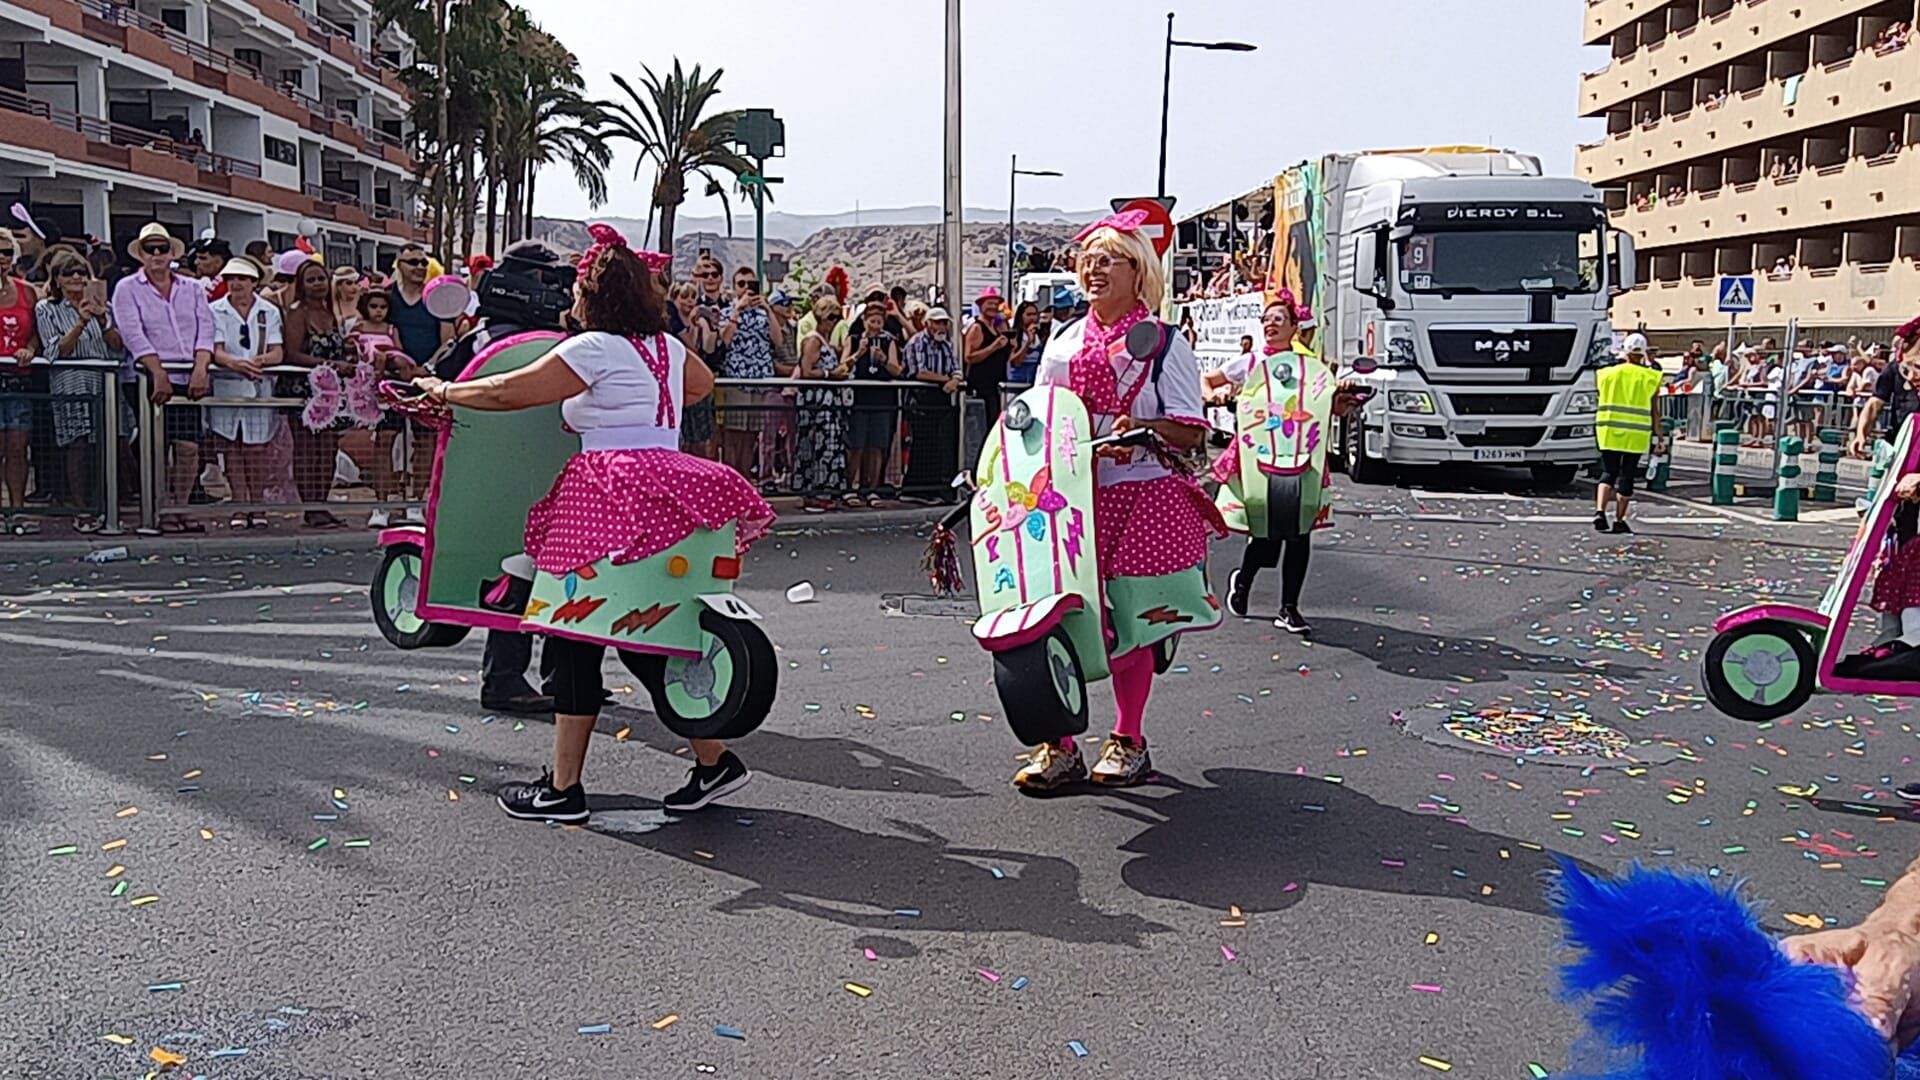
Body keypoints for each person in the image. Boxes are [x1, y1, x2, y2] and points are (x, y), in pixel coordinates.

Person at [409, 223, 775, 820]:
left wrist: (443, 391)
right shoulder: (666, 347)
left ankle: (563, 789)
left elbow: (507, 392)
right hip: (671, 483)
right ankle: (713, 761)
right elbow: (702, 385)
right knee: (643, 630)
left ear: (592, 295)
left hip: (607, 491)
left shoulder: (593, 348)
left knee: (575, 631)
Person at [1014, 211, 1226, 791]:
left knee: (1130, 620)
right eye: (1088, 259)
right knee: (1053, 614)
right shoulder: (1062, 342)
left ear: (1139, 271)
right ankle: (1058, 746)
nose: (1093, 269)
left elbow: (1190, 431)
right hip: (1070, 498)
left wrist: (1146, 428)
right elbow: (1040, 418)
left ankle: (1128, 738)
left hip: (1140, 496)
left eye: (1108, 259)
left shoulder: (1165, 343)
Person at [431, 237, 579, 717]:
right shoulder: (490, 338)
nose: (558, 289)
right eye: (546, 279)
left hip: (551, 467)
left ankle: (563, 676)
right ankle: (503, 679)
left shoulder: (560, 339)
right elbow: (445, 383)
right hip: (501, 472)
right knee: (514, 569)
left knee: (559, 570)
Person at [1205, 292, 1357, 633]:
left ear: (1293, 327)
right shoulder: (1250, 362)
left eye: (1279, 319)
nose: (1270, 324)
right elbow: (1209, 382)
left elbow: (1327, 408)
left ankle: (1289, 608)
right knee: (1266, 536)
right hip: (1257, 458)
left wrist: (1342, 398)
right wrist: (1216, 395)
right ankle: (1244, 580)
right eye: (1266, 319)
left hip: (1302, 457)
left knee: (1300, 534)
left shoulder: (1310, 367)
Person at [113, 222, 213, 535]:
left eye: (162, 248)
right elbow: (132, 333)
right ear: (140, 254)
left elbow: (206, 328)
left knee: (188, 447)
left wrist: (201, 367)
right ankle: (158, 508)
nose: (156, 254)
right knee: (156, 447)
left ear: (171, 253)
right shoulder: (127, 287)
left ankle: (180, 507)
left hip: (188, 375)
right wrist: (157, 371)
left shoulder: (192, 287)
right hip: (144, 377)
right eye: (150, 249)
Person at [35, 249, 124, 530]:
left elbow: (118, 347)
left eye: (81, 272)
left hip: (102, 379)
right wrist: (81, 321)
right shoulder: (46, 308)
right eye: (68, 273)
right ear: (57, 279)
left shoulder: (102, 304)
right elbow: (56, 350)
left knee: (107, 443)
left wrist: (102, 320)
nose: (76, 277)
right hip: (70, 378)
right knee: (77, 444)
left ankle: (107, 505)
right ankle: (81, 507)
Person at [207, 257, 284, 529]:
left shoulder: (268, 311)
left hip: (259, 387)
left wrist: (258, 362)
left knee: (257, 449)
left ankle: (258, 505)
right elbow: (215, 349)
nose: (236, 283)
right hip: (226, 385)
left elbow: (277, 351)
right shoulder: (214, 309)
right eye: (231, 279)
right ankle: (239, 504)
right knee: (231, 447)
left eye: (241, 278)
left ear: (253, 282)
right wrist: (234, 364)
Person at [282, 259, 351, 529]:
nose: (317, 284)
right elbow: (292, 353)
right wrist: (328, 365)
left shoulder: (330, 313)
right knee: (307, 451)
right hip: (304, 391)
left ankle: (322, 503)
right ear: (301, 284)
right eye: (310, 280)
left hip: (331, 392)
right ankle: (310, 508)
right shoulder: (297, 313)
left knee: (328, 450)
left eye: (321, 278)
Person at [388, 243, 452, 512]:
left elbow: (448, 340)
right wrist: (397, 361)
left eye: (423, 262)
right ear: (399, 265)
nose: (419, 267)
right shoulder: (387, 297)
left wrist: (426, 368)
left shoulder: (436, 298)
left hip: (428, 379)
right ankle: (383, 504)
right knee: (384, 439)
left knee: (425, 441)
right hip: (391, 377)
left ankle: (415, 502)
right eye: (412, 262)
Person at [1593, 332, 1664, 535]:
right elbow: (1655, 410)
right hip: (1636, 433)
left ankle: (1600, 512)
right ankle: (1619, 520)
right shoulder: (1651, 377)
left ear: (1624, 351)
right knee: (1627, 474)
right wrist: (1660, 436)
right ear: (1644, 353)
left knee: (1609, 471)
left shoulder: (1606, 374)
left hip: (1609, 429)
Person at [717, 265, 780, 482]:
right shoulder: (727, 312)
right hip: (737, 377)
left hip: (760, 379)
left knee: (751, 434)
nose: (746, 288)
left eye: (750, 284)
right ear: (734, 287)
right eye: (741, 284)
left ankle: (744, 480)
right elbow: (724, 341)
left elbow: (778, 340)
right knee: (733, 433)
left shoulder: (764, 314)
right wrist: (737, 311)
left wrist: (768, 310)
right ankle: (730, 480)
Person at [901, 307, 963, 503]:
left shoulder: (946, 345)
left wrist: (955, 380)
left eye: (944, 323)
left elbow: (956, 369)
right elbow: (919, 372)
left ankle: (934, 488)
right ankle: (915, 489)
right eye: (937, 322)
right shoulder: (917, 342)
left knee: (938, 444)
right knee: (922, 443)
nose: (941, 327)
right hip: (920, 399)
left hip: (940, 400)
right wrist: (946, 380)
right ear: (927, 324)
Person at [845, 299, 904, 505]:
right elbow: (843, 365)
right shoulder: (853, 339)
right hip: (859, 398)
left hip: (881, 399)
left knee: (876, 445)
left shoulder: (889, 342)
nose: (875, 326)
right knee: (857, 445)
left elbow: (897, 370)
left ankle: (871, 488)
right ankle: (850, 487)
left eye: (879, 322)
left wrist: (884, 360)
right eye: (872, 321)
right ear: (864, 321)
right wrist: (858, 354)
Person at [0, 233, 41, 525]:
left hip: (18, 378)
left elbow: (38, 331)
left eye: (5, 252)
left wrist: (31, 349)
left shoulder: (27, 292)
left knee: (17, 448)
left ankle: (17, 510)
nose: (1, 258)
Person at [795, 298, 850, 511]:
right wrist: (829, 374)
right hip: (817, 403)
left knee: (828, 445)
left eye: (837, 317)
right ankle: (814, 492)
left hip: (828, 402)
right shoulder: (813, 341)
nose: (834, 322)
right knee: (818, 445)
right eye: (831, 317)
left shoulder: (826, 342)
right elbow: (807, 371)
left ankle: (823, 490)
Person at [668, 282, 718, 459]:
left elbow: (707, 348)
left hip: (696, 385)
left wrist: (706, 325)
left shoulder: (699, 322)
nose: (689, 301)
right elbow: (688, 347)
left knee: (700, 440)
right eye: (684, 297)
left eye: (693, 297)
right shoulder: (671, 323)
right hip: (676, 385)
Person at [963, 288, 1016, 427]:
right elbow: (969, 357)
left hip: (996, 385)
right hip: (982, 387)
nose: (993, 307)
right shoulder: (977, 328)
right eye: (989, 303)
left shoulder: (998, 328)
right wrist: (994, 347)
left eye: (995, 304)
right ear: (981, 306)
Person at [1004, 300, 1043, 387]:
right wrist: (1028, 343)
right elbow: (1015, 362)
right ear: (1021, 316)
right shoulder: (1015, 335)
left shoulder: (1040, 335)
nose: (1032, 318)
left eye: (1034, 314)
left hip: (1034, 378)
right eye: (1028, 315)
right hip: (1018, 379)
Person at [332, 266, 364, 331]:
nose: (354, 287)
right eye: (349, 283)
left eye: (356, 283)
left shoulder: (363, 303)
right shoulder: (330, 306)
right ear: (339, 286)